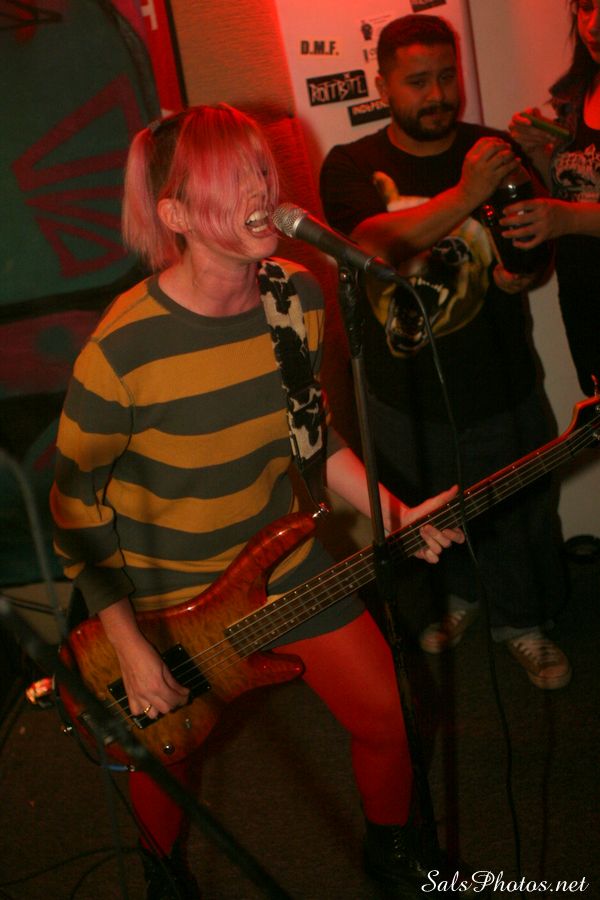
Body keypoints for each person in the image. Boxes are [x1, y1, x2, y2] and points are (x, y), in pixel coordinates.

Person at [50, 104, 465, 899]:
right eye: (231, 177)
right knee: (168, 754)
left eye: (261, 168)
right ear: (176, 215)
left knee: (390, 714)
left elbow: (314, 436)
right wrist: (130, 646)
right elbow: (75, 510)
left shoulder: (295, 297)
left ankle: (392, 851)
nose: (261, 189)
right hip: (164, 596)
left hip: (282, 559)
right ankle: (162, 877)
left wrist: (394, 515)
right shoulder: (122, 348)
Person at [320, 14, 571, 690]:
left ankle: (524, 624)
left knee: (521, 515)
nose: (437, 96)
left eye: (446, 77)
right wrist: (468, 194)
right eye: (417, 82)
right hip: (401, 395)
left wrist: (525, 267)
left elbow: (532, 245)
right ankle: (459, 598)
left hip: (500, 379)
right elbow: (375, 245)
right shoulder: (350, 164)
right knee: (428, 515)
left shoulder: (493, 149)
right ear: (382, 85)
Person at [506, 0, 600, 397]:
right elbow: (572, 190)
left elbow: (571, 211)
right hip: (583, 295)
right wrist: (538, 153)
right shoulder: (578, 94)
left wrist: (567, 219)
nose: (593, 26)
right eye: (586, 8)